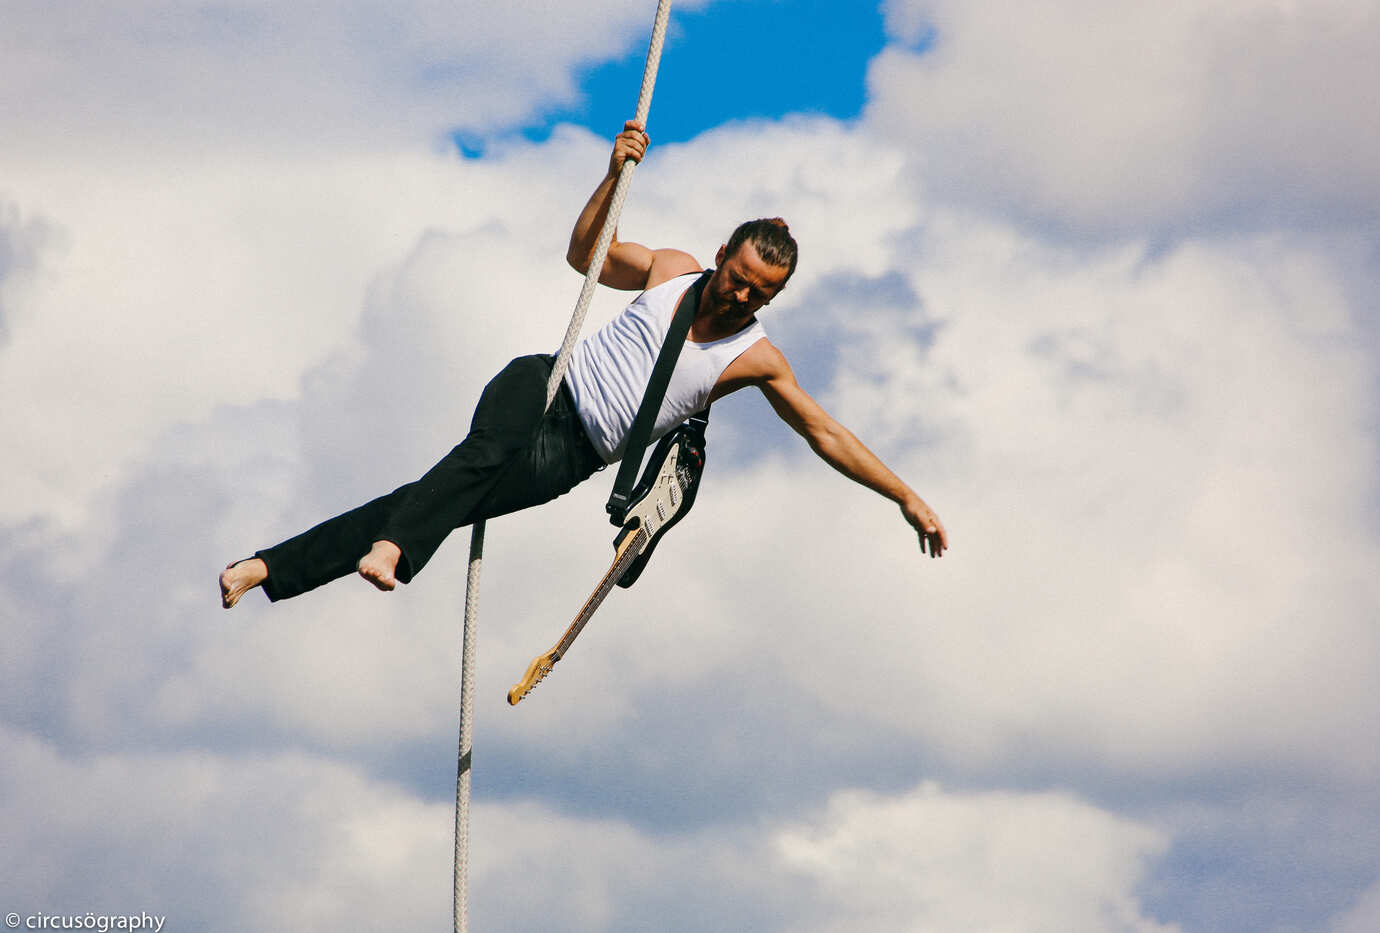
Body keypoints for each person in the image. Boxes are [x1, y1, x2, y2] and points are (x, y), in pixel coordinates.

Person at [220, 121, 948, 609]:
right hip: (544, 384)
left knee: (435, 496)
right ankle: (393, 551)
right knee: (476, 457)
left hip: (572, 456)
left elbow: (826, 434)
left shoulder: (754, 360)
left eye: (761, 293)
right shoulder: (671, 269)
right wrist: (612, 174)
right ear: (723, 252)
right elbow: (586, 254)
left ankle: (268, 567)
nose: (740, 295)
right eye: (738, 276)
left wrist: (904, 495)